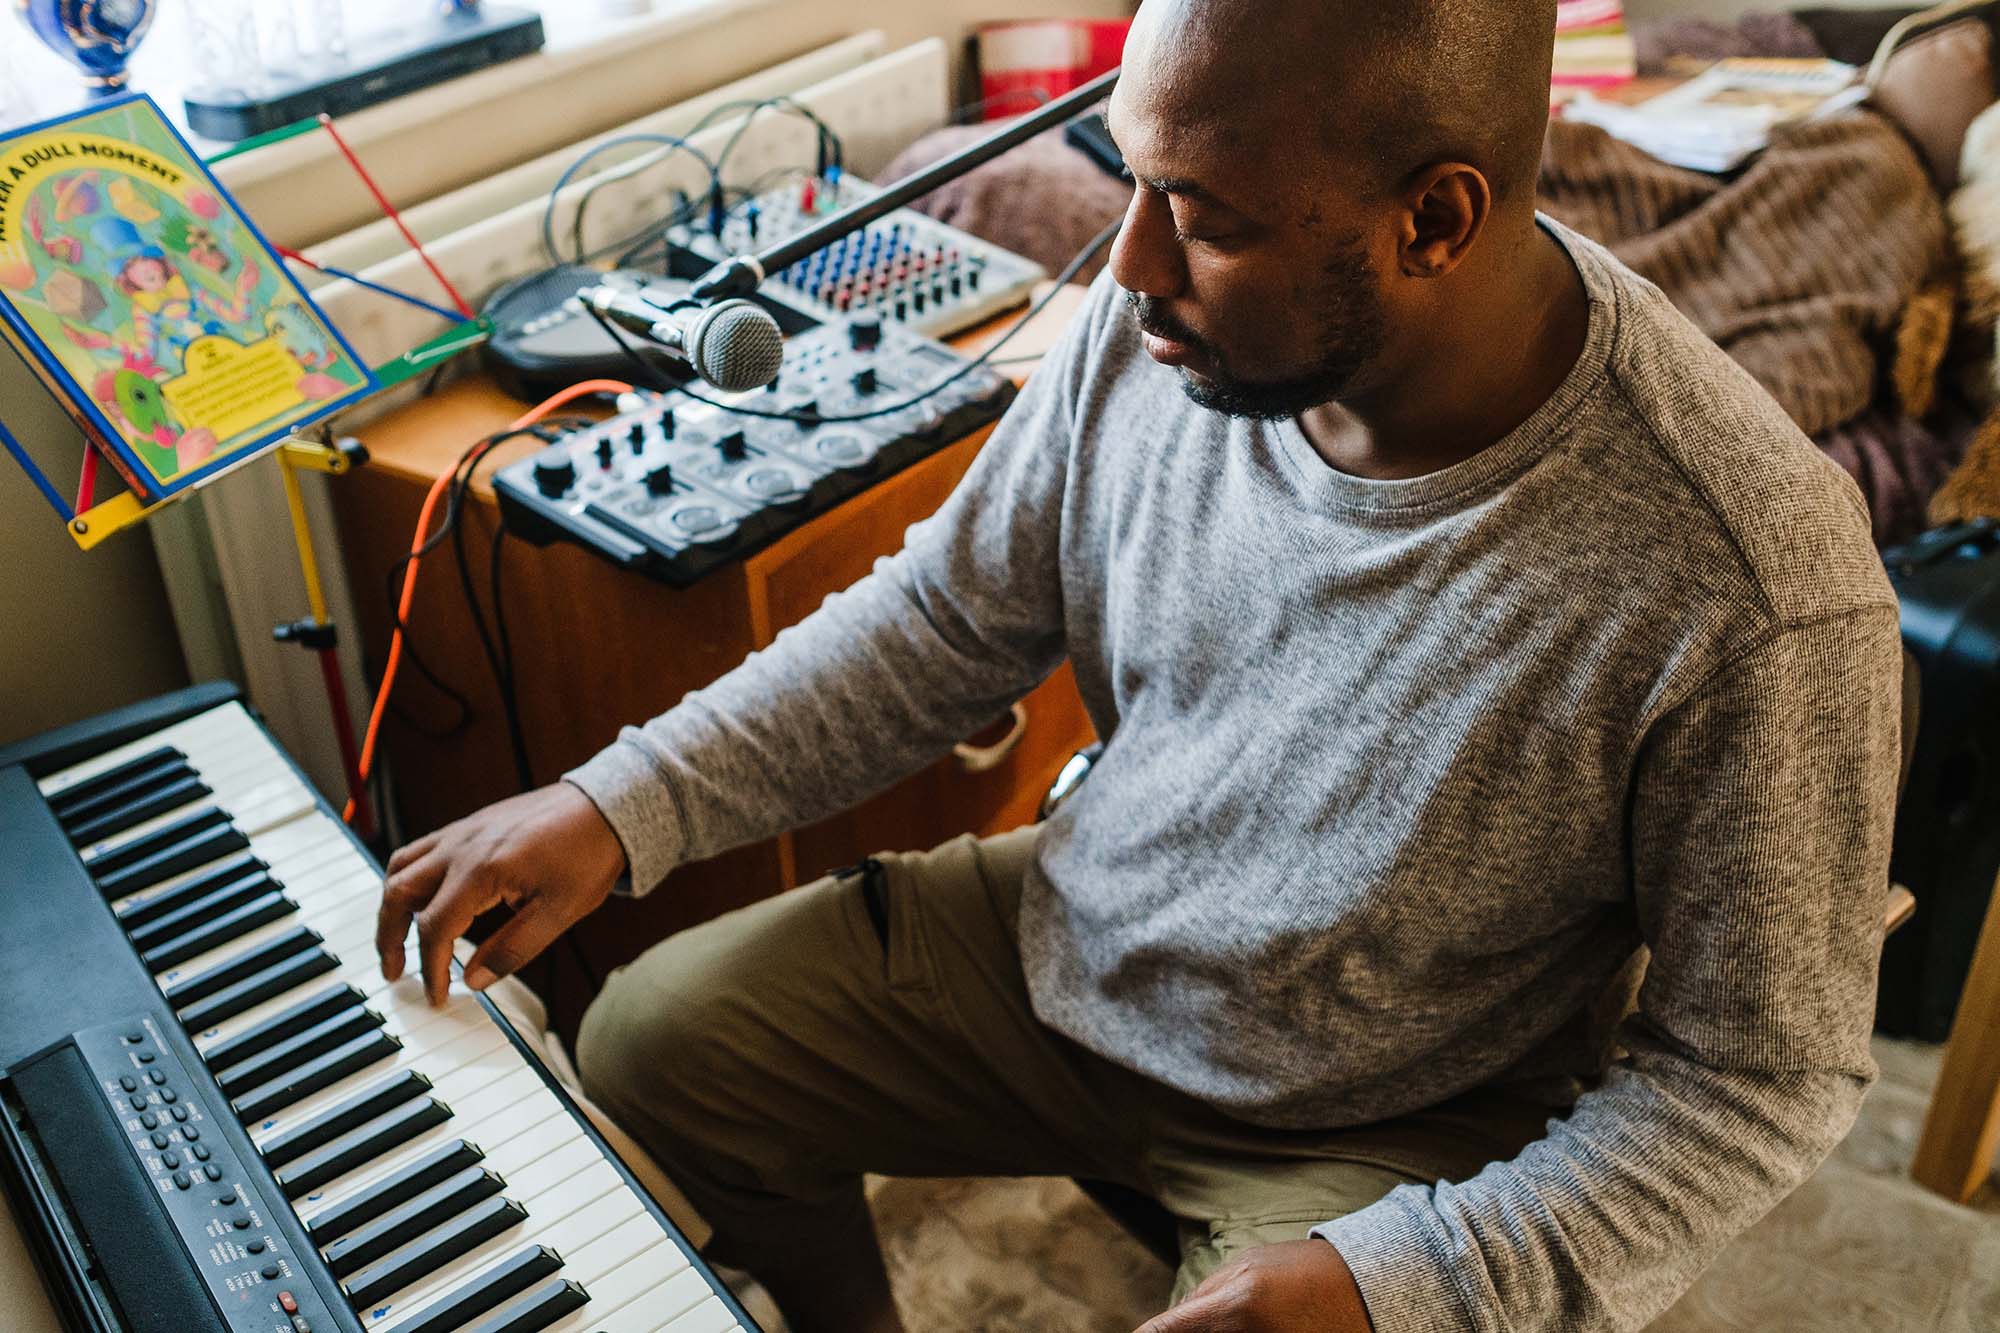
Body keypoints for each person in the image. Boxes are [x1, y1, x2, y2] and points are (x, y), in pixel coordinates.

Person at [375, 0, 1904, 1328]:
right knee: (650, 1041)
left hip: (1405, 1096)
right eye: (1133, 176)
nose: (1130, 264)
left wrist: (1419, 1284)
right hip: (1092, 929)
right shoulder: (1165, 321)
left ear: (1435, 221)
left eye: (1210, 217)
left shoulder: (1753, 580)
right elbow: (948, 619)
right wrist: (618, 798)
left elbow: (1755, 1076)